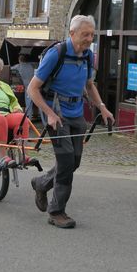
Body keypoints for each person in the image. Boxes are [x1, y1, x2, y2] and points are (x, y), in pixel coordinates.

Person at [26, 15, 114, 228]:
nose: (89, 38)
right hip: (56, 112)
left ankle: (41, 183)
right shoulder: (56, 55)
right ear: (72, 33)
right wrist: (50, 114)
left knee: (74, 161)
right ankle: (56, 212)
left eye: (92, 34)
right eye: (85, 34)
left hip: (76, 113)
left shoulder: (87, 56)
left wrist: (102, 107)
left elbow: (89, 84)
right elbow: (32, 88)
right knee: (65, 161)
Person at [12, 53, 36, 118]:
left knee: (28, 102)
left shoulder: (18, 66)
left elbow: (10, 69)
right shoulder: (31, 65)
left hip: (28, 86)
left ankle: (29, 117)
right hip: (35, 84)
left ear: (19, 60)